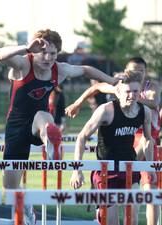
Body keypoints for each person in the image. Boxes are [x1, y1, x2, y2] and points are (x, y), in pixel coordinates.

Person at [0, 29, 118, 225]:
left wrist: (111, 81)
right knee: (9, 189)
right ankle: (25, 206)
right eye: (43, 52)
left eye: (53, 53)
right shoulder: (23, 63)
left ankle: (51, 143)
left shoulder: (60, 70)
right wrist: (25, 48)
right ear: (34, 51)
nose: (48, 58)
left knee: (43, 117)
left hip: (40, 122)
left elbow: (86, 70)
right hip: (15, 127)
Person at [65, 57, 161, 225]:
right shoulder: (106, 111)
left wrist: (150, 167)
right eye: (127, 92)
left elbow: (148, 139)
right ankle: (100, 212)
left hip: (130, 168)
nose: (132, 96)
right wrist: (76, 170)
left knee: (131, 218)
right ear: (117, 91)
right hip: (106, 170)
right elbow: (82, 137)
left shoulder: (143, 111)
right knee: (111, 221)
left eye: (136, 92)